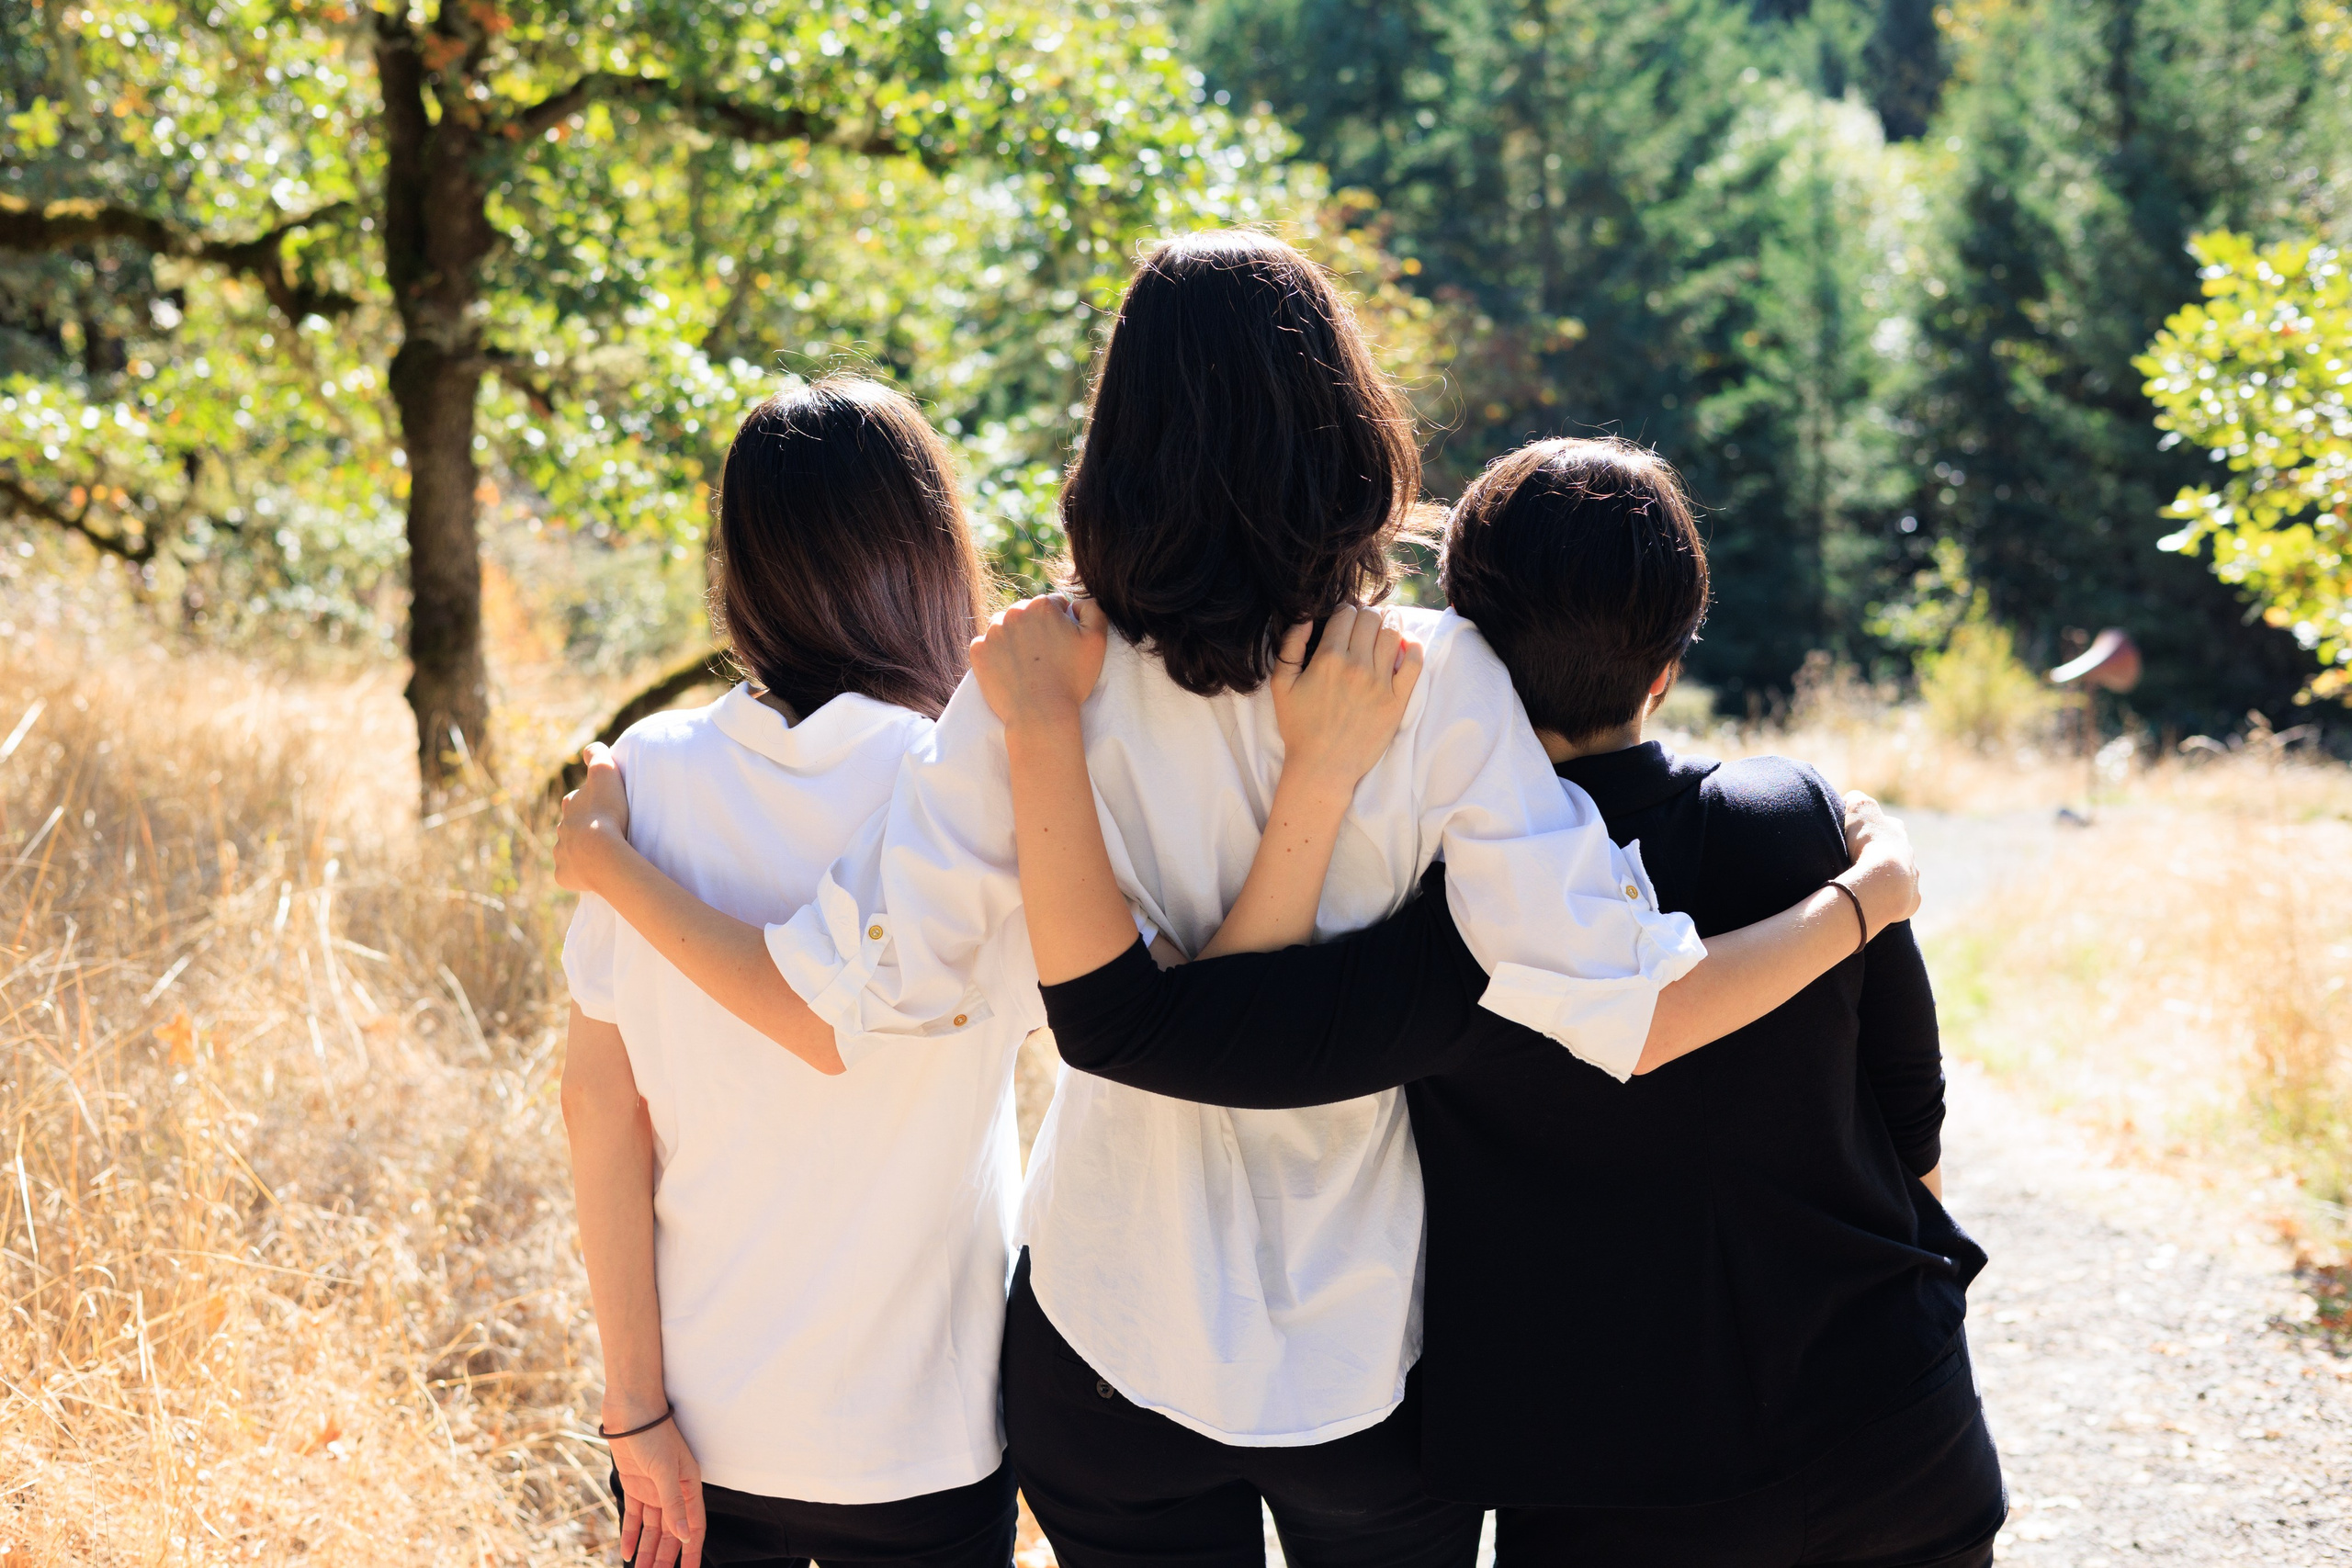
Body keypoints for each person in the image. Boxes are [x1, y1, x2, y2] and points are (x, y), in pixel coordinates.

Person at [557, 233, 1910, 1568]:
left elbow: (851, 1000)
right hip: (1358, 1340)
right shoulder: (1433, 678)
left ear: (1115, 445)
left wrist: (616, 864)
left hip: (1103, 1330)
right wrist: (1861, 902)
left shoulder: (1032, 683)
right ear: (1351, 433)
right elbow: (1640, 1012)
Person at [991, 438, 2000, 1568]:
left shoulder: (1454, 933)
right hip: (1895, 1432)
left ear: (1469, 654)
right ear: (1667, 665)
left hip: (1614, 1495)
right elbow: (1909, 1106)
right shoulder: (1799, 823)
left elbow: (1194, 1040)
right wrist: (1866, 902)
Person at [554, 378, 1023, 1568]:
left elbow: (600, 1109)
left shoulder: (647, 773)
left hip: (695, 1428)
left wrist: (633, 1406)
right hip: (923, 1432)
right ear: (931, 554)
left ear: (741, 567)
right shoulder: (971, 787)